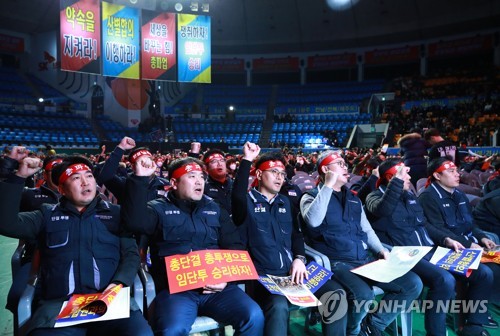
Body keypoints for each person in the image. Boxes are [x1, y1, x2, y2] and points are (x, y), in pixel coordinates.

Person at [0, 155, 152, 336]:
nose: (85, 182)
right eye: (75, 178)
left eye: (89, 176)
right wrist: (18, 176)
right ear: (62, 189)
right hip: (59, 308)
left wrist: (118, 284)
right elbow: (6, 223)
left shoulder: (116, 215)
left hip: (111, 303)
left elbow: (131, 255)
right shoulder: (46, 216)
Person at [121, 155, 264, 336]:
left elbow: (235, 247)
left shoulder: (215, 208)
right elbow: (134, 223)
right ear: (174, 183)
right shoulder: (157, 209)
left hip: (218, 289)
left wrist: (227, 279)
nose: (199, 182)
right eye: (191, 176)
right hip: (177, 292)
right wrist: (140, 178)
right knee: (172, 330)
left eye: (201, 177)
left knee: (254, 316)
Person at [365, 158, 496, 336]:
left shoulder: (409, 196)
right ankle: (436, 333)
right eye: (404, 175)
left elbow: (424, 225)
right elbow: (383, 210)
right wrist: (396, 182)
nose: (409, 178)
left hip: (430, 250)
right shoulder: (374, 197)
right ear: (391, 178)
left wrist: (446, 239)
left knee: (482, 273)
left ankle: (474, 327)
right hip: (405, 255)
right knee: (444, 280)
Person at [299, 150, 422, 336]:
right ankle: (353, 331)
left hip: (363, 259)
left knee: (413, 283)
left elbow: (367, 230)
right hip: (335, 262)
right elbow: (313, 221)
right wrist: (328, 185)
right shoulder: (310, 197)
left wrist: (381, 250)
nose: (345, 166)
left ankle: (373, 324)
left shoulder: (353, 198)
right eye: (339, 163)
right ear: (325, 169)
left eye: (344, 163)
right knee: (364, 295)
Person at [231, 142, 347, 336]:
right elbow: (237, 195)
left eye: (282, 173)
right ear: (259, 175)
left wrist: (299, 259)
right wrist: (247, 160)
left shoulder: (285, 201)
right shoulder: (246, 203)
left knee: (336, 294)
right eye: (274, 172)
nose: (279, 177)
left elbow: (296, 235)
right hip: (265, 277)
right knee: (278, 306)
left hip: (294, 273)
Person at [419, 157, 500, 308]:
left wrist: (482, 237)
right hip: (446, 249)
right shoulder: (428, 197)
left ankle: (483, 309)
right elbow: (437, 230)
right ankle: (474, 322)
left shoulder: (459, 194)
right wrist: (469, 244)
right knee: (487, 271)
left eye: (456, 170)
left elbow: (470, 223)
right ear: (437, 176)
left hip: (468, 244)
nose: (458, 174)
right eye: (451, 171)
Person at [96, 137, 169, 204]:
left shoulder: (165, 184)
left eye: (148, 159)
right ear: (133, 167)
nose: (146, 163)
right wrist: (121, 147)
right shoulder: (125, 184)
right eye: (141, 162)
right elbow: (105, 177)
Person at [202, 148, 233, 214]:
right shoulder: (203, 187)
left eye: (222, 160)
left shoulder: (235, 184)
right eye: (214, 161)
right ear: (206, 168)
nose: (219, 164)